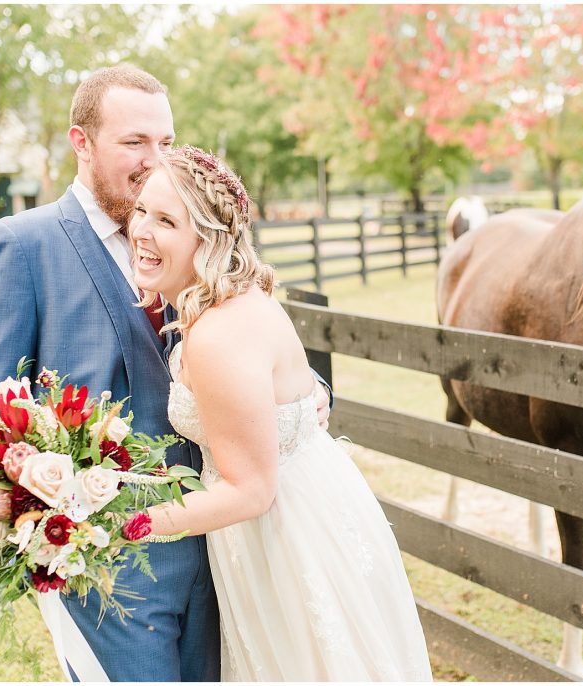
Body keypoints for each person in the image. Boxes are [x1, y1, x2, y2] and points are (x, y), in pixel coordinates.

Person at [0, 65, 330, 682]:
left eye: (166, 142)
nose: (155, 160)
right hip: (112, 578)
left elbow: (254, 340)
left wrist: (308, 394)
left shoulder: (193, 234)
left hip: (228, 552)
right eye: (134, 142)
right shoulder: (22, 247)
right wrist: (64, 527)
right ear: (81, 143)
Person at [130, 146, 433, 681]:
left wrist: (130, 524)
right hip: (311, 503)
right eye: (141, 212)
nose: (142, 231)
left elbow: (252, 490)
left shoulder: (218, 333)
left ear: (207, 239)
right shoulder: (233, 300)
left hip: (282, 535)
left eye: (166, 221)